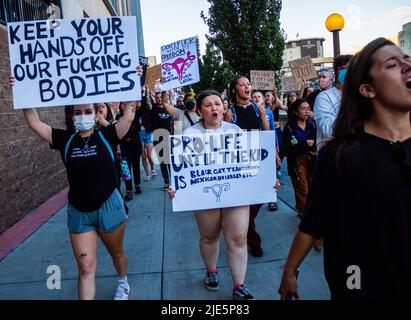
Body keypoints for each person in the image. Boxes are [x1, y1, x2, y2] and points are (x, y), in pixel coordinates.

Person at [278, 38, 411, 300]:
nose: (407, 67)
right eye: (393, 64)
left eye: (407, 59)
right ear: (367, 89)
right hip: (359, 279)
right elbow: (313, 221)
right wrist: (290, 271)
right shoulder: (341, 156)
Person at [10, 67, 142, 300]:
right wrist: (21, 91)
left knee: (117, 253)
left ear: (94, 113)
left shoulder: (107, 135)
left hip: (109, 206)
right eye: (78, 112)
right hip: (79, 212)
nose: (82, 115)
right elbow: (33, 121)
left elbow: (129, 115)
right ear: (72, 116)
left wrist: (135, 78)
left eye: (87, 111)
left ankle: (123, 281)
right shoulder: (63, 140)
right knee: (85, 267)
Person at [168, 90, 261, 300]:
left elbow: (251, 163)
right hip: (204, 196)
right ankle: (211, 271)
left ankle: (239, 285)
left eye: (217, 103)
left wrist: (264, 180)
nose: (214, 108)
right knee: (210, 236)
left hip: (235, 195)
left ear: (223, 107)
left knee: (237, 239)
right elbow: (181, 169)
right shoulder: (189, 135)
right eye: (208, 105)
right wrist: (177, 188)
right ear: (200, 110)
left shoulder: (235, 130)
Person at [227, 75, 270, 258]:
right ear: (235, 89)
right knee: (247, 203)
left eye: (249, 84)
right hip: (241, 163)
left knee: (259, 199)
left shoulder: (258, 107)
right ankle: (253, 241)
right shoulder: (230, 112)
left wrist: (273, 154)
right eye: (242, 84)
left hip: (260, 159)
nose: (247, 87)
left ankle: (245, 229)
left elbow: (267, 132)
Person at [282, 99, 316, 219]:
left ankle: (301, 208)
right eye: (303, 109)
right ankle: (305, 217)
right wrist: (305, 143)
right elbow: (288, 148)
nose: (306, 112)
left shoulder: (312, 125)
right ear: (296, 112)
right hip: (296, 162)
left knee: (311, 189)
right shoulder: (290, 128)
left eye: (308, 109)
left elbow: (316, 142)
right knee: (303, 189)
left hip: (311, 160)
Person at [314, 55, 353, 150]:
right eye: (344, 69)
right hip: (333, 158)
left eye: (352, 68)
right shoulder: (324, 97)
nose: (348, 72)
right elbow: (328, 131)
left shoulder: (361, 95)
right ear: (336, 73)